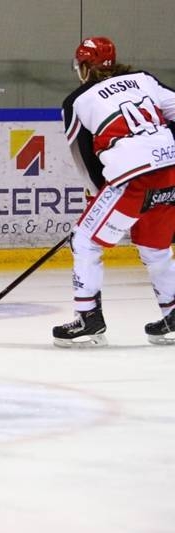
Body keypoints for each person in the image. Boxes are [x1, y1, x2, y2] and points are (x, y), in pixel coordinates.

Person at [53, 36, 175, 347]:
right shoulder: (143, 79)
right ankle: (174, 315)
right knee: (155, 248)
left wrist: (97, 193)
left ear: (83, 66)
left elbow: (84, 158)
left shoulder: (76, 101)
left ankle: (88, 319)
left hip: (132, 176)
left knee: (84, 241)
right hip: (171, 169)